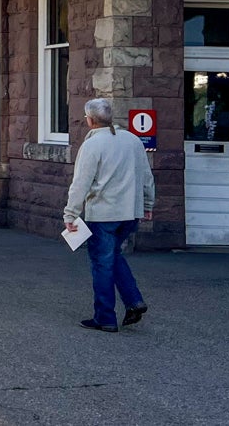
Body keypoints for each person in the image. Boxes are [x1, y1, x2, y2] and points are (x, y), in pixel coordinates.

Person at [64, 97, 154, 332]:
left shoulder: (92, 146)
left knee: (101, 263)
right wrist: (147, 205)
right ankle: (133, 299)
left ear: (90, 120)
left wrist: (70, 214)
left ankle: (105, 317)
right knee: (112, 255)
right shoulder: (133, 140)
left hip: (103, 214)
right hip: (130, 213)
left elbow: (81, 183)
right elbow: (146, 176)